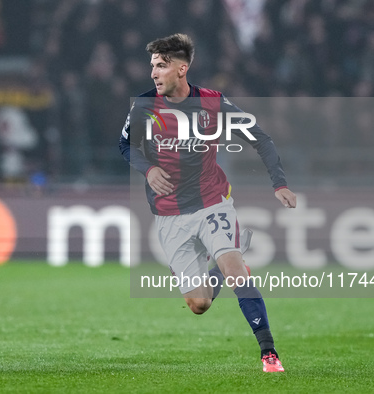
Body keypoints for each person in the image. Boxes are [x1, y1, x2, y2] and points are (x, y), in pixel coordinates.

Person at [119, 33, 296, 372]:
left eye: (161, 66)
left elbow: (260, 137)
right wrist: (148, 168)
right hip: (168, 214)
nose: (154, 73)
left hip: (212, 202)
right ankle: (223, 264)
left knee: (235, 273)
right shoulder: (143, 107)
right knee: (199, 304)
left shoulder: (213, 103)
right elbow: (126, 146)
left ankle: (269, 354)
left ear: (182, 69)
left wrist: (279, 183)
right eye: (152, 66)